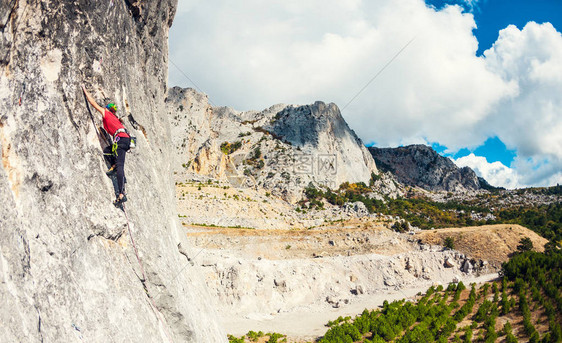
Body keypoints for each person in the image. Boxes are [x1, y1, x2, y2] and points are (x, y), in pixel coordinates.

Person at [82, 85, 130, 206]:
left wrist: (84, 89)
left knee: (120, 166)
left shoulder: (107, 114)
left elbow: (93, 103)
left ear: (108, 109)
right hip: (125, 140)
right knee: (108, 150)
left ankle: (121, 194)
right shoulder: (116, 119)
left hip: (121, 140)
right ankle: (114, 165)